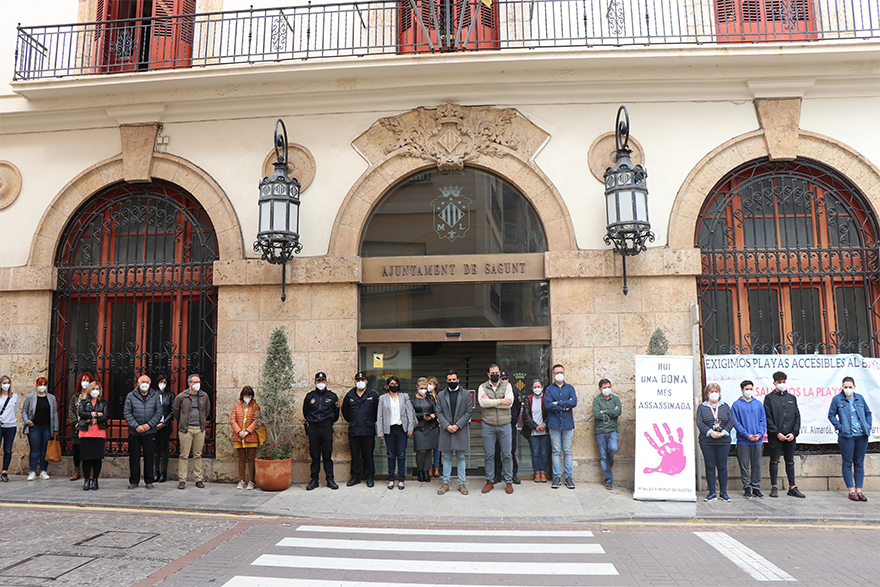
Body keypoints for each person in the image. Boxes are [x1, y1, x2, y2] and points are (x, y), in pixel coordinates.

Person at [828, 377, 872, 502]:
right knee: (847, 463)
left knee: (859, 463)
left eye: (850, 387)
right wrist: (840, 427)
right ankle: (852, 491)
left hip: (861, 435)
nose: (848, 389)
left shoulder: (860, 398)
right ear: (842, 387)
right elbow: (831, 415)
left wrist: (868, 426)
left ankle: (860, 491)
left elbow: (868, 413)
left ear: (854, 387)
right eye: (845, 387)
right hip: (846, 436)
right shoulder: (837, 399)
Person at [764, 371, 804, 498]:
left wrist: (794, 433)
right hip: (776, 436)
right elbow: (768, 418)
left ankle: (792, 487)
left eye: (783, 382)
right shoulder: (769, 398)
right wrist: (777, 433)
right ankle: (774, 487)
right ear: (774, 383)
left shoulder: (791, 398)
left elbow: (797, 416)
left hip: (790, 436)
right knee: (774, 460)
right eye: (779, 382)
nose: (782, 384)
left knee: (790, 461)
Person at [478, 364, 515, 494]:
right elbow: (483, 403)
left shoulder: (507, 385)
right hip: (488, 425)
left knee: (507, 454)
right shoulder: (482, 387)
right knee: (489, 455)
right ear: (488, 374)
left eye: (497, 372)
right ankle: (489, 481)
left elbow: (509, 403)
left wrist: (492, 402)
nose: (495, 374)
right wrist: (500, 401)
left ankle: (509, 481)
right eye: (492, 372)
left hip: (505, 424)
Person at [436, 369, 473, 495]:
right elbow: (438, 412)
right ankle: (445, 483)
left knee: (461, 457)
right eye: (449, 380)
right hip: (446, 429)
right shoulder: (441, 395)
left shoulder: (466, 394)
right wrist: (447, 425)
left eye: (454, 379)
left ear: (458, 380)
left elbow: (468, 412)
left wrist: (457, 425)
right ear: (446, 380)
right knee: (446, 457)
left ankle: (461, 484)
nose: (452, 381)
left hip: (460, 429)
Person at [172, 373, 211, 489]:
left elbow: (207, 410)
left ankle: (198, 479)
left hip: (199, 429)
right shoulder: (182, 396)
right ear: (189, 383)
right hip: (186, 430)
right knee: (184, 455)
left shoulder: (204, 396)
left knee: (198, 455)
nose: (197, 384)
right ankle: (182, 479)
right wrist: (183, 422)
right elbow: (176, 411)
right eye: (195, 382)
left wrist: (202, 420)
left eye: (199, 382)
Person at [696, 382, 733, 502]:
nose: (714, 394)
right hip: (707, 441)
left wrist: (724, 432)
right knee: (710, 466)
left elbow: (731, 421)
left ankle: (724, 493)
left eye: (716, 391)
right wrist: (710, 432)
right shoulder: (702, 407)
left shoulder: (725, 406)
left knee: (722, 466)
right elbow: (699, 422)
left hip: (723, 441)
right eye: (711, 392)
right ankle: (712, 492)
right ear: (707, 394)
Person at [303, 372, 340, 491]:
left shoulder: (332, 396)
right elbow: (305, 412)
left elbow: (336, 414)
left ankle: (330, 479)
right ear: (315, 383)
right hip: (313, 428)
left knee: (327, 455)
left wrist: (328, 422)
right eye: (318, 381)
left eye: (322, 381)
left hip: (326, 428)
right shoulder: (310, 396)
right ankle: (314, 480)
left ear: (326, 382)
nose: (320, 383)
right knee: (314, 456)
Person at [377, 375, 415, 490]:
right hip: (389, 429)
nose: (394, 386)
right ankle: (391, 479)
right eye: (391, 384)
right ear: (387, 386)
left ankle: (401, 479)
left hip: (401, 429)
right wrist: (380, 432)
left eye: (396, 383)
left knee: (402, 454)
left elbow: (410, 413)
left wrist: (410, 427)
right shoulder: (383, 398)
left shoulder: (405, 397)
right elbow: (380, 416)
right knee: (390, 455)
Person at [341, 371, 378, 487]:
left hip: (368, 430)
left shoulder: (373, 394)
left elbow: (378, 412)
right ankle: (355, 477)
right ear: (355, 382)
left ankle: (370, 477)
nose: (360, 382)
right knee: (355, 455)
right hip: (354, 430)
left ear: (366, 381)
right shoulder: (350, 395)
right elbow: (345, 412)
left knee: (368, 455)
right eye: (358, 380)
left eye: (362, 380)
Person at [123, 374, 160, 489]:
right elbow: (127, 413)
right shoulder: (130, 396)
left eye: (147, 382)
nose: (144, 384)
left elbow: (158, 412)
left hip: (149, 432)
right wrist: (136, 426)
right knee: (134, 456)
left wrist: (149, 425)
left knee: (149, 456)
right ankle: (134, 480)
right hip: (135, 432)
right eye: (142, 381)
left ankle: (149, 480)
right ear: (138, 383)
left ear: (150, 384)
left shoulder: (155, 395)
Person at [731, 379, 766, 499]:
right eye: (747, 389)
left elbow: (763, 421)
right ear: (742, 390)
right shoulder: (736, 405)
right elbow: (736, 422)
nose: (749, 391)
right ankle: (747, 487)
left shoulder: (758, 404)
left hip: (758, 440)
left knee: (757, 464)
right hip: (743, 441)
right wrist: (746, 435)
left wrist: (760, 434)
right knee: (744, 465)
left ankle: (756, 488)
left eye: (751, 389)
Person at [545, 364, 577, 489]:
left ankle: (568, 477)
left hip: (567, 423)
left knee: (568, 451)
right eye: (557, 372)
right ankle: (557, 477)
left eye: (561, 372)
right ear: (553, 374)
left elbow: (574, 402)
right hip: (554, 423)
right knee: (556, 451)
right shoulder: (548, 389)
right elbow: (547, 405)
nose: (559, 374)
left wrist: (557, 403)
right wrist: (565, 406)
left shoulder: (570, 388)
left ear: (564, 373)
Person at [21, 377, 59, 480]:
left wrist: (56, 428)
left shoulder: (51, 398)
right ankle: (32, 471)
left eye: (44, 384)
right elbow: (24, 411)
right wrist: (28, 422)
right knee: (34, 449)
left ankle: (43, 470)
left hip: (47, 427)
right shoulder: (30, 397)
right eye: (40, 384)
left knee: (44, 450)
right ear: (36, 385)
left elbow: (54, 413)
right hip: (34, 427)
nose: (42, 386)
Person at [77, 381, 109, 490]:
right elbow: (81, 414)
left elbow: (105, 416)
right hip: (85, 433)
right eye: (93, 388)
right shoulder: (83, 402)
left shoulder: (103, 403)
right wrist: (95, 414)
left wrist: (90, 420)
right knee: (86, 458)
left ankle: (95, 480)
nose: (95, 391)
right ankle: (86, 480)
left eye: (97, 388)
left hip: (99, 433)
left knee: (97, 458)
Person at [593, 378, 622, 490]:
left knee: (614, 448)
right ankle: (609, 480)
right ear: (600, 389)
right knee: (603, 457)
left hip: (612, 430)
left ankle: (611, 457)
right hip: (600, 431)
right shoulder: (596, 400)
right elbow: (597, 414)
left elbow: (618, 412)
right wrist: (611, 412)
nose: (607, 389)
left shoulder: (615, 399)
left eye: (608, 387)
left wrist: (604, 411)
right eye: (604, 387)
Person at [493, 371, 521, 486]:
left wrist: (512, 420)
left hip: (509, 425)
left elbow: (517, 408)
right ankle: (497, 475)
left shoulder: (513, 392)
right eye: (502, 379)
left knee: (510, 451)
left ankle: (513, 475)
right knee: (496, 451)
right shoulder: (495, 392)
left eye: (506, 379)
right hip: (496, 424)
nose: (504, 381)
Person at [230, 385, 260, 490]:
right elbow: (232, 420)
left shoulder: (255, 406)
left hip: (251, 436)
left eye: (249, 395)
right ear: (242, 395)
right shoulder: (236, 405)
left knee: (251, 459)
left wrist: (247, 431)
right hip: (239, 436)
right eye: (245, 395)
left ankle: (251, 481)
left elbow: (257, 420)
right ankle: (241, 480)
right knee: (241, 459)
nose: (247, 397)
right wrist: (239, 431)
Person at [521, 379, 549, 483]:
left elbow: (550, 413)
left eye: (539, 386)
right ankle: (537, 473)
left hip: (545, 430)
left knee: (545, 453)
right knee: (535, 453)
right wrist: (535, 426)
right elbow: (526, 415)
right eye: (535, 387)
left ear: (542, 387)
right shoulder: (529, 399)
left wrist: (544, 425)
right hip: (533, 431)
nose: (537, 389)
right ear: (532, 389)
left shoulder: (546, 398)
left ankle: (543, 473)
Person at [411, 377, 439, 482]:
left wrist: (432, 416)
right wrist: (422, 416)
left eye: (425, 388)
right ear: (417, 387)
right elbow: (411, 413)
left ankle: (426, 472)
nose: (423, 390)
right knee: (421, 450)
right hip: (419, 427)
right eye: (421, 388)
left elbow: (437, 411)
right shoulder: (412, 399)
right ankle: (420, 471)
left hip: (431, 427)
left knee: (428, 450)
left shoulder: (430, 398)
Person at [67, 372, 93, 481]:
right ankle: (77, 471)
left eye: (88, 381)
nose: (85, 383)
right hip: (77, 428)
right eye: (83, 380)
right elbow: (71, 411)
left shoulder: (93, 396)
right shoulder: (75, 396)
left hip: (90, 428)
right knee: (76, 450)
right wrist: (76, 423)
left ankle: (90, 472)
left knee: (89, 450)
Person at [153, 374, 174, 483]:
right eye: (161, 381)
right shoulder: (152, 394)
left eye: (165, 382)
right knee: (155, 450)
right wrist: (154, 423)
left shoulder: (170, 395)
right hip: (154, 425)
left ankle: (163, 473)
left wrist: (164, 423)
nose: (162, 384)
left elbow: (172, 411)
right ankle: (156, 472)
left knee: (164, 448)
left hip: (165, 426)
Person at [0, 376, 19, 482]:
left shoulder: (14, 397)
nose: (6, 385)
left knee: (8, 449)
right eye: (4, 383)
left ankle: (4, 471)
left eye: (8, 383)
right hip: (0, 425)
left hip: (11, 426)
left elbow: (14, 410)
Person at [427, 376, 442, 478]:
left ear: (435, 386)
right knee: (428, 448)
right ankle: (429, 468)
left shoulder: (440, 396)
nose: (429, 386)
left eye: (431, 384)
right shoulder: (425, 396)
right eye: (428, 384)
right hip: (428, 424)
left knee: (437, 448)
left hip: (438, 425)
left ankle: (436, 468)